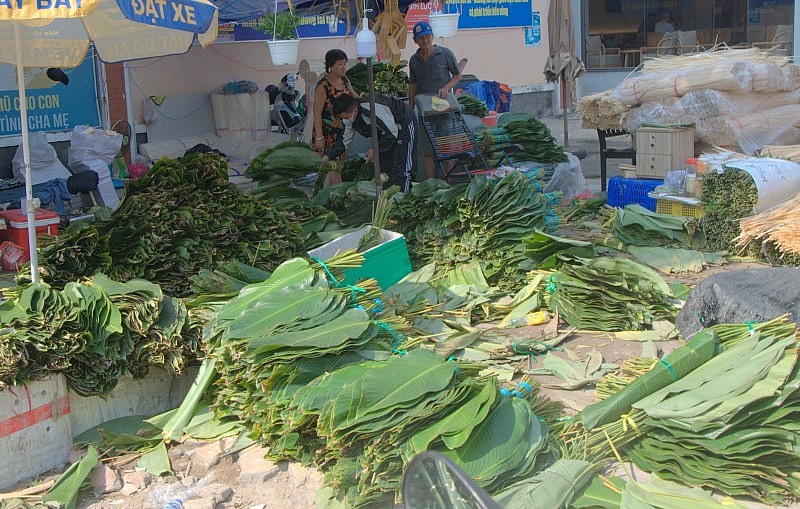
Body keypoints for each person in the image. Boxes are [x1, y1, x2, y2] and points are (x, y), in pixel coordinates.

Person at [324, 94, 416, 192]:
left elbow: (392, 132)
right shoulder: (350, 119)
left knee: (401, 168)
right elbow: (344, 141)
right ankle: (388, 196)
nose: (345, 120)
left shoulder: (372, 108)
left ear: (354, 111)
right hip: (385, 133)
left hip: (403, 125)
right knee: (384, 168)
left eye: (345, 117)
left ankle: (402, 197)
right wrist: (328, 156)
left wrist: (375, 149)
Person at [408, 21, 462, 180]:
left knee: (447, 147)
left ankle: (448, 180)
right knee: (427, 149)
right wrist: (410, 108)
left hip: (444, 108)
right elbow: (413, 84)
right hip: (424, 111)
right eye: (420, 38)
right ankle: (432, 183)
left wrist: (446, 87)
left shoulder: (445, 53)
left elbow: (457, 75)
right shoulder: (413, 60)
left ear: (432, 36)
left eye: (427, 36)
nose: (424, 40)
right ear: (415, 40)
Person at [312, 49, 359, 186]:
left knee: (338, 165)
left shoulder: (345, 80)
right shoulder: (323, 86)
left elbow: (355, 96)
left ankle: (335, 191)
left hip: (342, 131)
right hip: (327, 132)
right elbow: (317, 112)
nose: (344, 67)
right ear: (330, 66)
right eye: (340, 64)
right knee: (328, 166)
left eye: (345, 64)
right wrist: (319, 137)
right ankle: (325, 191)